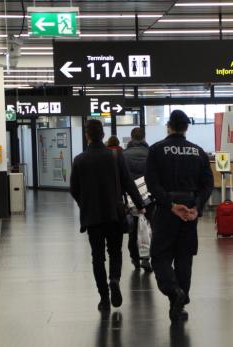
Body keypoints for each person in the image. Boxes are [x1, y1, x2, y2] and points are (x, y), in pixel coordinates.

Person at [145, 110, 213, 322]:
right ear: (186, 127)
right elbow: (208, 184)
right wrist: (197, 206)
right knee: (184, 258)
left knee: (159, 256)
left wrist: (170, 204)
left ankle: (174, 292)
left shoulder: (157, 150)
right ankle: (179, 307)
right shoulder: (198, 152)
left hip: (167, 211)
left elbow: (152, 182)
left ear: (169, 126)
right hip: (190, 211)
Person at [70, 119, 145, 312]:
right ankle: (114, 280)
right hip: (115, 213)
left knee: (97, 257)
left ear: (87, 135)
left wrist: (84, 204)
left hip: (92, 217)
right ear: (102, 135)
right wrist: (140, 205)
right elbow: (128, 183)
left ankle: (104, 298)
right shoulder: (115, 156)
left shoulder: (79, 160)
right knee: (115, 252)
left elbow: (73, 189)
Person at [123, 127, 153, 272]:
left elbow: (121, 178)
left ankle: (135, 258)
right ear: (144, 137)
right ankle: (146, 257)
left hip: (130, 197)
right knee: (148, 226)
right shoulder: (151, 154)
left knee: (133, 229)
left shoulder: (124, 155)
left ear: (131, 138)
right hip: (149, 197)